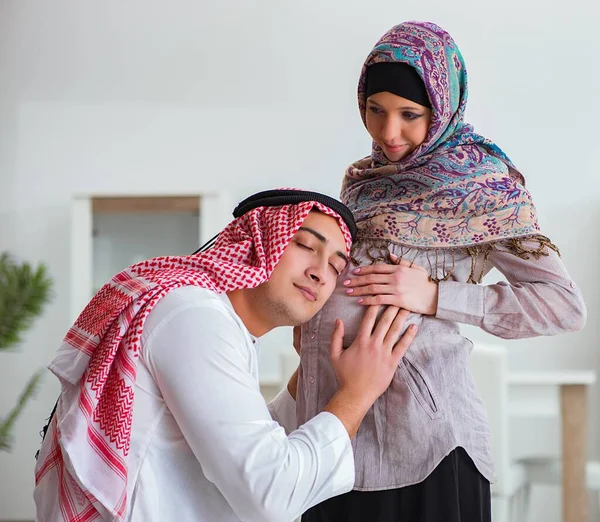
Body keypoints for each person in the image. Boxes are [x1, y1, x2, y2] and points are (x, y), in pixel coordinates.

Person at [298, 22, 587, 522]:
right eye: (375, 111)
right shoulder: (361, 183)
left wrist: (435, 295)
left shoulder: (484, 188)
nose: (389, 133)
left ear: (442, 108)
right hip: (332, 442)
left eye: (410, 115)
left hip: (425, 450)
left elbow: (563, 306)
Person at [32, 188, 419, 522]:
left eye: (336, 265)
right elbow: (271, 492)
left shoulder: (218, 321)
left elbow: (241, 440)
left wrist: (306, 376)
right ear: (256, 242)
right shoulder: (194, 316)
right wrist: (357, 395)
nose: (321, 272)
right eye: (304, 245)